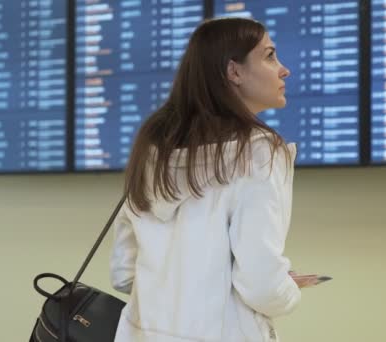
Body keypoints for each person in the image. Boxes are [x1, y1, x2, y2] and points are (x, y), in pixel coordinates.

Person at [110, 17, 312, 342]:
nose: (283, 69)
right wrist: (286, 290)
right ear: (234, 72)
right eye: (270, 56)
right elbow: (260, 283)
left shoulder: (153, 150)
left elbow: (123, 272)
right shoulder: (259, 152)